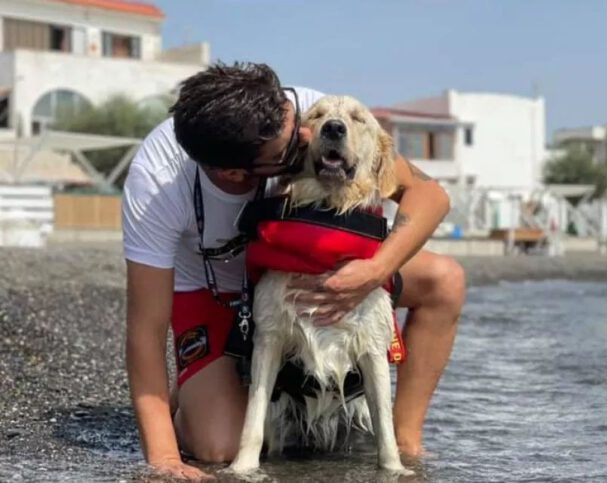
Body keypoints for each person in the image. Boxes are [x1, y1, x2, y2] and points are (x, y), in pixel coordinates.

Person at [122, 62, 465, 480]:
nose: (309, 138)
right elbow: (145, 331)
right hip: (216, 292)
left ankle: (404, 440)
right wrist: (163, 460)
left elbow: (430, 194)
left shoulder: (306, 114)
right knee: (217, 446)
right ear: (236, 172)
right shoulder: (157, 184)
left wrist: (378, 268)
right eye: (290, 150)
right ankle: (199, 389)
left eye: (298, 122)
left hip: (318, 261)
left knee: (445, 281)